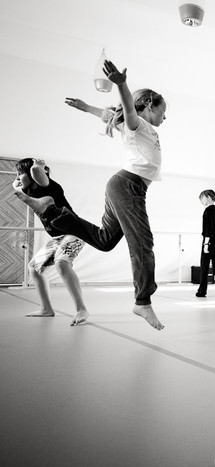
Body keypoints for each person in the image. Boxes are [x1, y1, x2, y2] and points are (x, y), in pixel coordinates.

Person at [22, 58, 166, 330]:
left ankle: (55, 215)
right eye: (162, 111)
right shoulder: (139, 125)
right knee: (142, 243)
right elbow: (125, 109)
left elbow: (109, 114)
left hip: (123, 187)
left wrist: (85, 106)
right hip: (128, 186)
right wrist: (122, 85)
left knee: (105, 240)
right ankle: (142, 302)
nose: (164, 117)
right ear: (148, 106)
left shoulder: (134, 125)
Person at [11, 158, 89, 326]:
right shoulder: (28, 192)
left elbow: (38, 174)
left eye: (20, 173)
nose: (17, 177)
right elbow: (16, 186)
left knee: (62, 263)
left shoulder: (48, 186)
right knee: (34, 267)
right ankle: (46, 309)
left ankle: (81, 309)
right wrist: (18, 178)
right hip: (57, 238)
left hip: (74, 232)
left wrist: (38, 166)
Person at [195, 190, 215, 298]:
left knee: (204, 265)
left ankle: (202, 291)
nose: (201, 201)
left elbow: (208, 228)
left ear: (208, 197)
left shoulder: (208, 210)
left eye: (202, 198)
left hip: (209, 239)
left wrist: (206, 243)